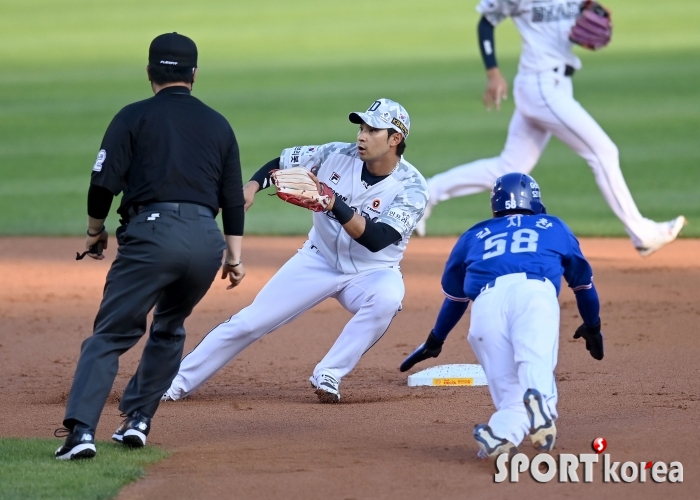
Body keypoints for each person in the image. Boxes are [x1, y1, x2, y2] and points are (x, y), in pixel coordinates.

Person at [55, 33, 246, 460]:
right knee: (169, 328)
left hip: (153, 235)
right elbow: (232, 199)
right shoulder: (218, 124)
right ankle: (138, 421)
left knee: (110, 335)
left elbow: (102, 182)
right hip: (206, 241)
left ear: (149, 72)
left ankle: (81, 433)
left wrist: (94, 231)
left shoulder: (133, 116)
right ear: (194, 75)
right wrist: (233, 257)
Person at [162, 98, 428, 404]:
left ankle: (328, 371)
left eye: (372, 130)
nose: (361, 135)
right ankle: (176, 383)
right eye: (361, 127)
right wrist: (252, 186)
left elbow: (377, 238)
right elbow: (282, 161)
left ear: (395, 139)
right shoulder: (336, 154)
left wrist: (333, 202)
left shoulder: (412, 187)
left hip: (373, 271)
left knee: (388, 298)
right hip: (318, 259)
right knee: (250, 322)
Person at [416, 0, 685, 257]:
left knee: (507, 167)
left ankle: (428, 193)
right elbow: (486, 23)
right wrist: (493, 74)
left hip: (558, 85)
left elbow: (585, 15)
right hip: (540, 86)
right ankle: (642, 233)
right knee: (604, 152)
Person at [401, 172, 604, 459]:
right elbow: (584, 287)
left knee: (510, 398)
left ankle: (501, 435)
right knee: (534, 363)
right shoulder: (553, 226)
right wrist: (593, 326)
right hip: (534, 295)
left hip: (485, 307)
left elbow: (456, 299)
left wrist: (436, 339)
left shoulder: (473, 234)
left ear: (495, 204)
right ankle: (541, 406)